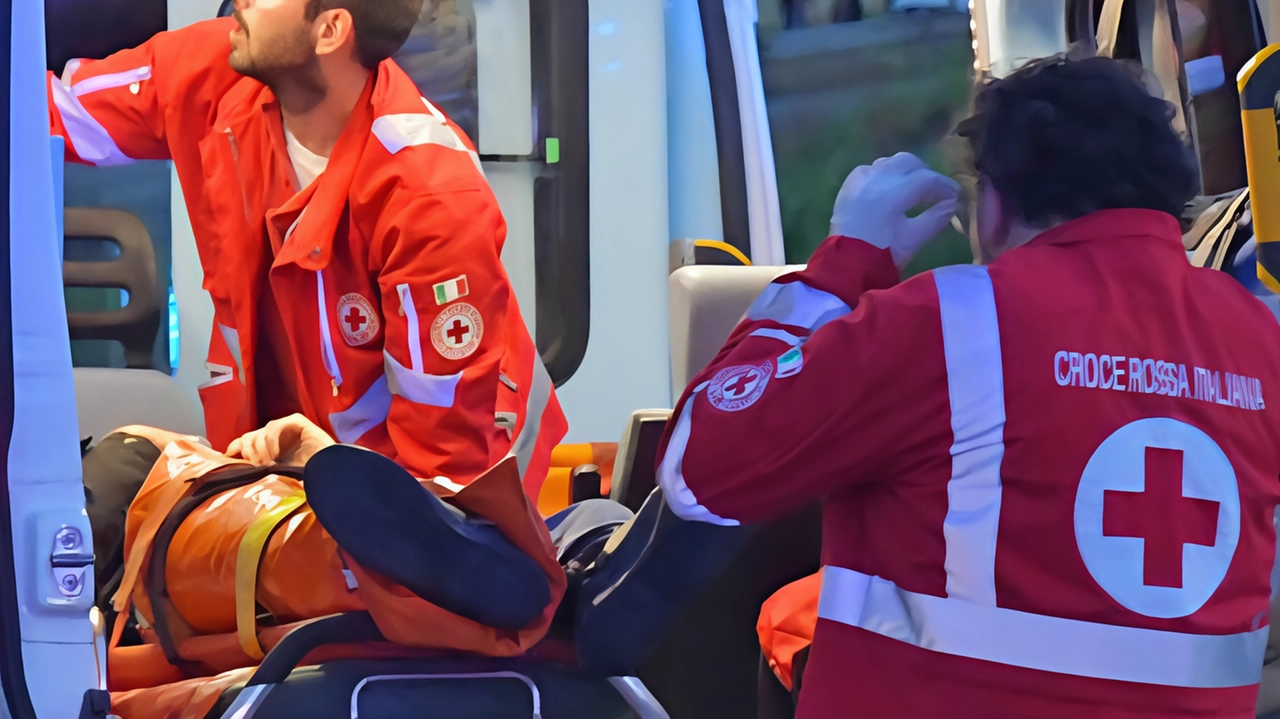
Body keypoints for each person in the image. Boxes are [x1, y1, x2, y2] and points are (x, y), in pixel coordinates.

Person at [657, 55, 1280, 717]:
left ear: (998, 201)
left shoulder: (951, 322)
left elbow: (700, 470)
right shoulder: (1261, 338)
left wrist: (843, 261)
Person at [50, 0, 565, 492]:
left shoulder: (429, 200)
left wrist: (326, 483)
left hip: (434, 483)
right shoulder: (213, 71)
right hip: (286, 464)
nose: (240, 4)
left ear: (330, 30)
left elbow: (440, 480)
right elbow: (43, 115)